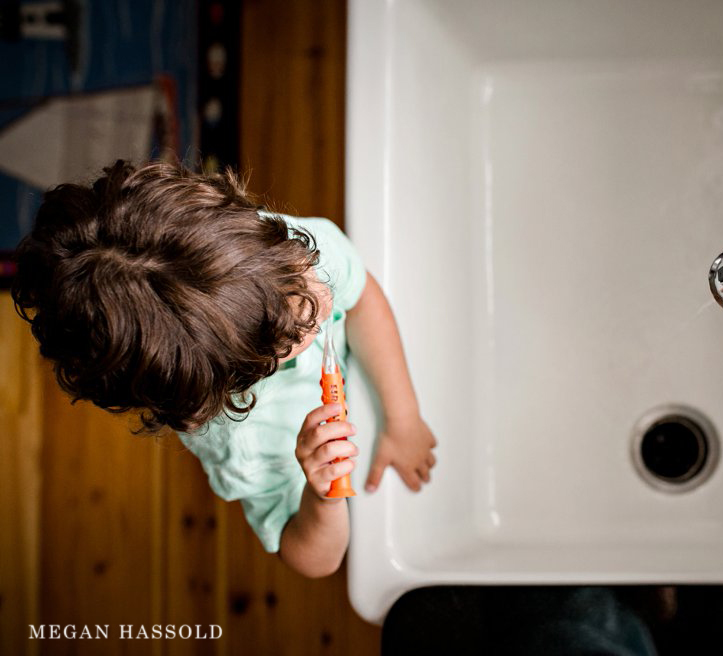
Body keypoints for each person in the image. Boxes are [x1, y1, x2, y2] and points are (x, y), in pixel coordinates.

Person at [11, 160, 437, 577]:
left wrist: (401, 416)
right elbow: (312, 559)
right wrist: (323, 498)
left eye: (294, 272)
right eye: (291, 335)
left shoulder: (269, 256)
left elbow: (360, 294)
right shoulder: (243, 439)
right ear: (234, 382)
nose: (320, 297)